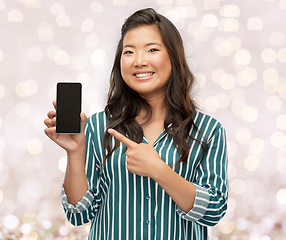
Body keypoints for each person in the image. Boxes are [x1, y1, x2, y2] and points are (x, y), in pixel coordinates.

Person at [44, 8, 228, 239]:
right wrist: (75, 152)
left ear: (173, 56)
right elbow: (79, 214)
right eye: (129, 52)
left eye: (152, 50)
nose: (139, 61)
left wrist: (160, 171)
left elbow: (214, 210)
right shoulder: (99, 126)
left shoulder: (208, 130)